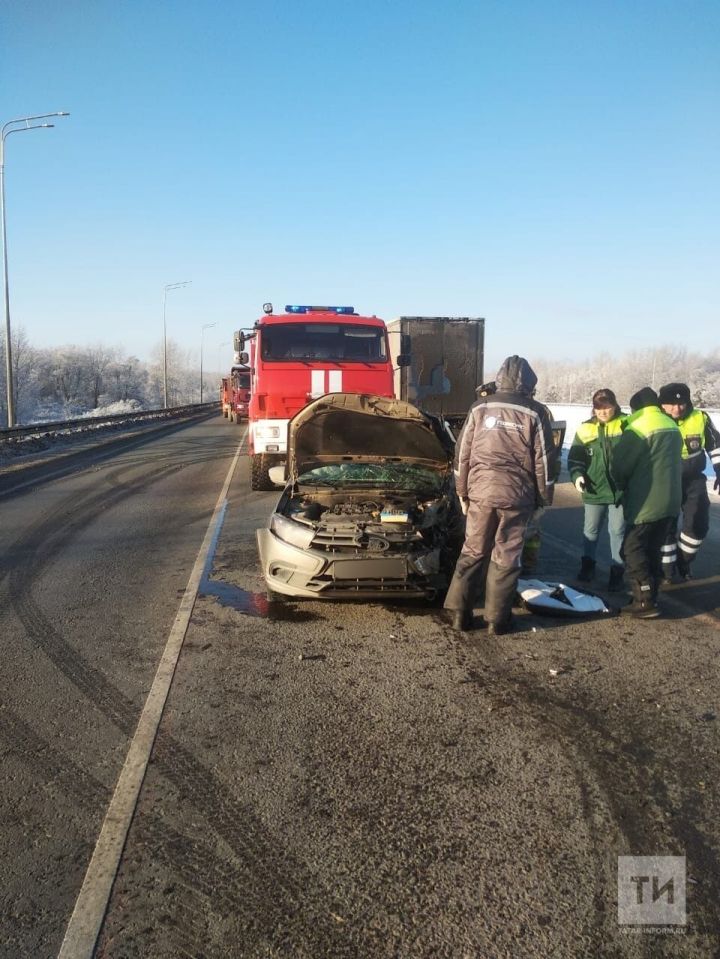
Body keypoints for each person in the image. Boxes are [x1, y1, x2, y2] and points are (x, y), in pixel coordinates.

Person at [443, 355, 557, 634]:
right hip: (517, 497)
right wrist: (544, 498)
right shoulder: (536, 412)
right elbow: (544, 461)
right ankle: (497, 619)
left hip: (480, 493)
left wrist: (462, 492)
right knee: (506, 555)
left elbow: (463, 454)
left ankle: (460, 614)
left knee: (472, 551)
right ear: (530, 383)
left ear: (501, 378)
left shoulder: (479, 407)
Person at [611, 387, 682, 618]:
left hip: (646, 501)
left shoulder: (638, 427)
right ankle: (650, 595)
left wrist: (619, 485)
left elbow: (620, 466)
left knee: (632, 549)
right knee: (652, 548)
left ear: (636, 408)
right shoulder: (671, 424)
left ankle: (644, 600)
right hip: (671, 500)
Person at [657, 382, 720, 581]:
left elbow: (716, 446)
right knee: (665, 526)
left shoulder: (700, 417)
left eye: (682, 403)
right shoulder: (655, 420)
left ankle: (684, 561)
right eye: (671, 404)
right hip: (663, 481)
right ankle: (666, 571)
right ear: (662, 405)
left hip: (693, 480)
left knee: (698, 523)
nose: (677, 408)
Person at [568, 388, 626, 590]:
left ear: (615, 405)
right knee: (590, 531)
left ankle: (617, 571)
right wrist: (577, 476)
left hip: (620, 492)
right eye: (598, 408)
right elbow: (575, 458)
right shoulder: (585, 429)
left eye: (607, 407)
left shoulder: (627, 424)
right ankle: (588, 566)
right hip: (594, 490)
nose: (602, 412)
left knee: (618, 531)